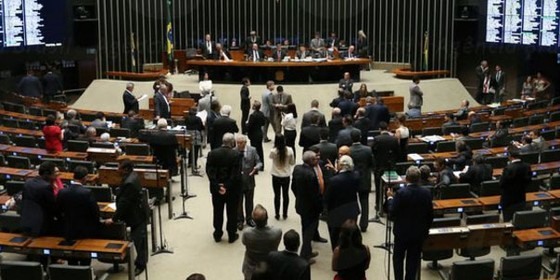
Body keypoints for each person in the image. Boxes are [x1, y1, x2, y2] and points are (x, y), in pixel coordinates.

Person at [386, 166, 433, 280]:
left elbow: (392, 212)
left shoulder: (401, 193)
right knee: (413, 261)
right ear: (419, 179)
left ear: (406, 178)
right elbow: (430, 215)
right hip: (418, 234)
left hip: (401, 233)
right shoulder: (426, 193)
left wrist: (390, 199)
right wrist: (425, 230)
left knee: (398, 259)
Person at [104, 160, 148, 276]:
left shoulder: (129, 183)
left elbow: (124, 203)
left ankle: (141, 264)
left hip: (136, 216)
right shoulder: (132, 176)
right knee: (139, 240)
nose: (117, 169)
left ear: (126, 169)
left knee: (139, 241)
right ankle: (140, 260)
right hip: (136, 212)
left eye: (120, 168)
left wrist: (113, 219)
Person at [57, 166, 101, 265]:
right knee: (85, 257)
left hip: (68, 229)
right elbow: (95, 212)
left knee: (71, 257)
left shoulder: (62, 192)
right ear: (85, 178)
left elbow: (58, 210)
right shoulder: (87, 193)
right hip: (85, 231)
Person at [206, 133, 242, 243]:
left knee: (217, 211)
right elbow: (235, 175)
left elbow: (210, 172)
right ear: (232, 142)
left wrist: (218, 186)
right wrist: (226, 186)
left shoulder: (212, 153)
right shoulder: (236, 155)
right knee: (232, 212)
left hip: (216, 189)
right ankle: (231, 234)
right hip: (232, 189)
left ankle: (217, 233)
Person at [291, 151, 324, 263]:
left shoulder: (297, 169)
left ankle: (308, 251)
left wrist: (299, 197)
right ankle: (304, 256)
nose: (317, 160)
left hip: (301, 205)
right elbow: (315, 195)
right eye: (315, 159)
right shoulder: (311, 175)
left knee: (305, 228)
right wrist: (321, 207)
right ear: (310, 161)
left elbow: (293, 187)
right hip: (311, 209)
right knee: (308, 233)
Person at [324, 156, 360, 250]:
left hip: (337, 213)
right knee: (350, 235)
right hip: (352, 211)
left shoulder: (333, 181)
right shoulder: (356, 176)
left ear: (340, 165)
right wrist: (336, 171)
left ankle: (337, 255)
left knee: (335, 237)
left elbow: (327, 198)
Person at [241, 205, 282, 280]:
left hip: (251, 268)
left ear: (253, 220)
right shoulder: (277, 232)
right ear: (267, 218)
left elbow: (244, 242)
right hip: (270, 268)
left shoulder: (247, 233)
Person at [21, 161, 58, 236]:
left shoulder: (28, 182)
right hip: (41, 225)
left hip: (26, 221)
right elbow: (52, 207)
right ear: (47, 174)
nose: (56, 175)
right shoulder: (46, 187)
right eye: (54, 173)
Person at [372, 121, 400, 215]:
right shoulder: (394, 139)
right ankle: (387, 204)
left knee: (378, 187)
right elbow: (397, 152)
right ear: (387, 129)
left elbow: (373, 151)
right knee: (389, 187)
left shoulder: (377, 139)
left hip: (379, 166)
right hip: (391, 166)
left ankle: (378, 204)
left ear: (380, 129)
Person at [236, 135, 263, 230]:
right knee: (238, 202)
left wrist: (256, 168)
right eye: (237, 143)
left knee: (249, 201)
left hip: (249, 180)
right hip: (238, 182)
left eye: (240, 143)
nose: (238, 145)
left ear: (245, 142)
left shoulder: (253, 150)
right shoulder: (234, 151)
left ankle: (249, 218)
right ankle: (239, 220)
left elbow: (259, 162)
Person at [500, 145, 532, 222]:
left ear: (509, 156)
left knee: (507, 221)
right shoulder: (527, 166)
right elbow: (529, 181)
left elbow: (502, 184)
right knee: (520, 220)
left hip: (508, 199)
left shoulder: (508, 168)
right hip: (521, 197)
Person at [269, 134, 295, 219]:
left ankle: (277, 213)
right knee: (285, 195)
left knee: (277, 195)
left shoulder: (273, 151)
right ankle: (285, 213)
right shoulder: (290, 150)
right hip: (286, 175)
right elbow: (292, 162)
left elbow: (270, 158)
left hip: (276, 175)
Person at [247, 101, 266, 170]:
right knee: (260, 150)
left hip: (253, 134)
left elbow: (250, 126)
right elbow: (263, 123)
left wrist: (248, 131)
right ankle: (262, 165)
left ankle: (255, 165)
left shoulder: (252, 115)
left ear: (254, 107)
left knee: (254, 150)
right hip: (259, 133)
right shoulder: (261, 114)